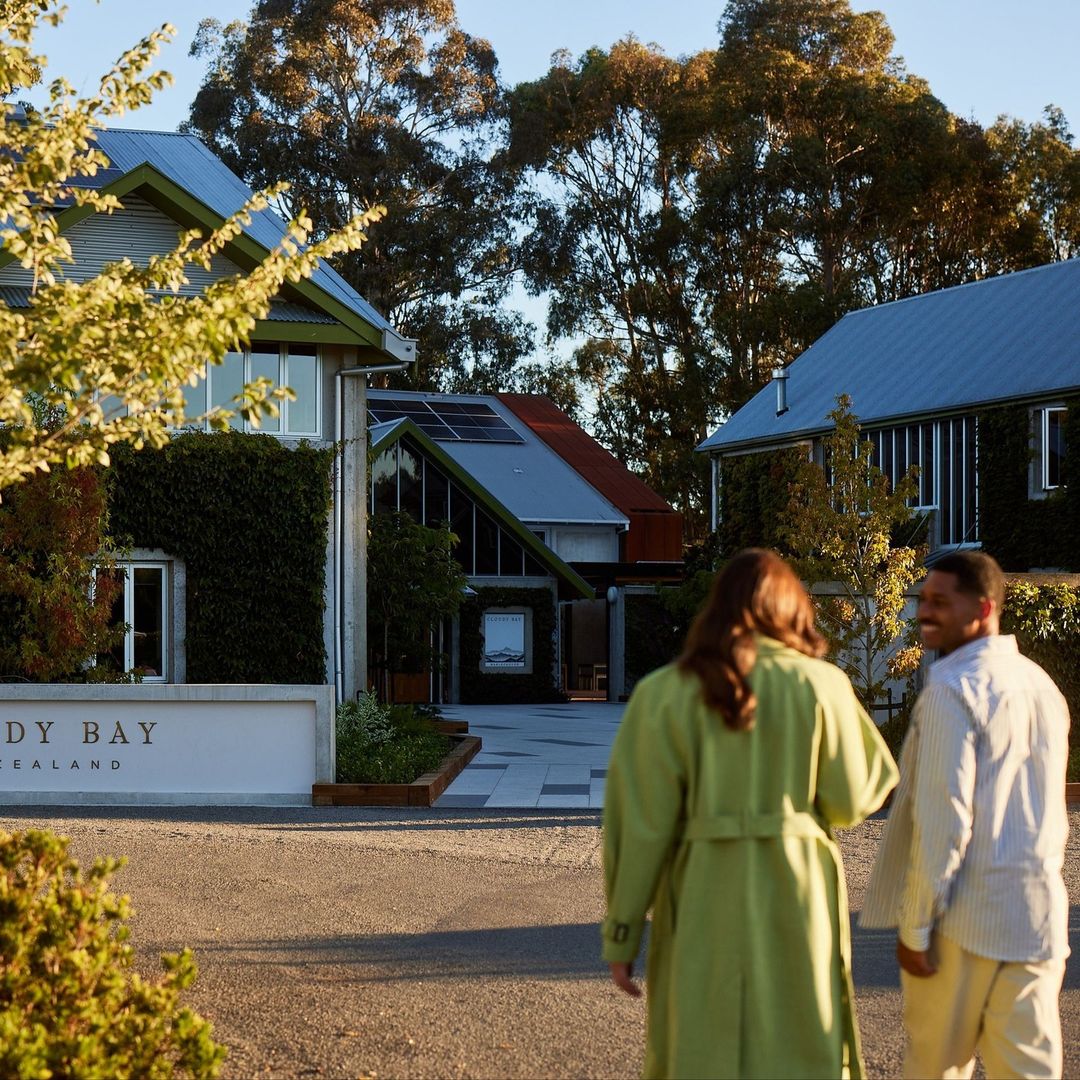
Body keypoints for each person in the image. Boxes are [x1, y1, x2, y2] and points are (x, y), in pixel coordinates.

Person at [602, 548, 898, 1079]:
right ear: (790, 609)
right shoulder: (822, 686)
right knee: (803, 1043)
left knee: (698, 1045)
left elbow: (639, 829)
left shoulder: (662, 694)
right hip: (797, 888)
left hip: (699, 892)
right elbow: (856, 796)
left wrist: (622, 936)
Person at [861, 550, 1070, 1079]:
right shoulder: (1043, 687)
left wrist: (915, 930)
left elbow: (945, 823)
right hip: (1036, 920)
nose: (924, 610)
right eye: (924, 598)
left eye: (939, 601)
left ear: (982, 609)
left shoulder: (951, 691)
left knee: (935, 1070)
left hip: (963, 926)